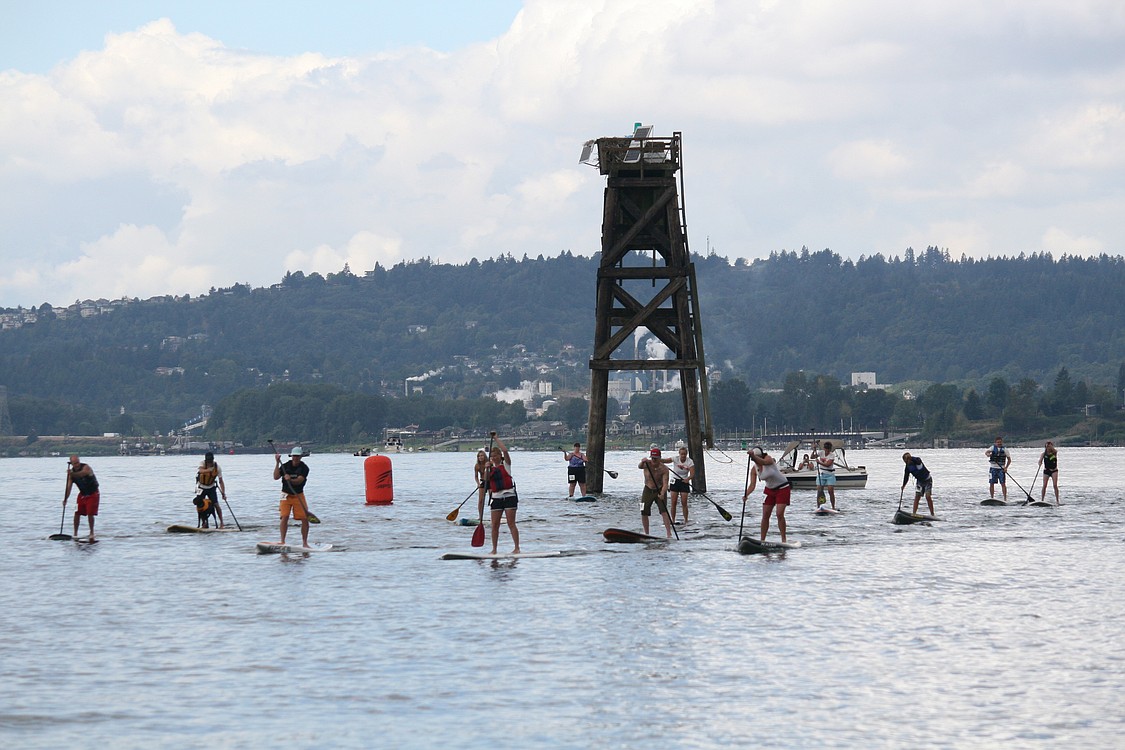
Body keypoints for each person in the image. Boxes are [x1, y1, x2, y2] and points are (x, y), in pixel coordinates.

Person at [743, 447, 791, 543]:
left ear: (760, 456)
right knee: (765, 515)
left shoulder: (768, 459)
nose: (755, 460)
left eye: (756, 457)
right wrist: (746, 495)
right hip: (770, 490)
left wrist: (753, 456)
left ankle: (784, 540)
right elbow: (752, 485)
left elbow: (763, 462)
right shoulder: (754, 469)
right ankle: (762, 540)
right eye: (753, 459)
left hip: (783, 488)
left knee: (779, 514)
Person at [485, 432, 520, 554]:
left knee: (511, 523)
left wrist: (495, 438)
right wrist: (486, 468)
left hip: (509, 496)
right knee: (495, 525)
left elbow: (505, 450)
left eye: (496, 455)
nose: (494, 458)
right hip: (496, 498)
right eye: (492, 456)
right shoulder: (490, 468)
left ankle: (517, 548)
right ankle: (494, 550)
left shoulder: (506, 464)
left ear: (500, 456)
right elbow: (486, 479)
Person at [273, 446, 311, 547]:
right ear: (291, 456)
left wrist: (290, 480)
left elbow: (299, 481)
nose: (296, 458)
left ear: (301, 457)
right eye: (294, 456)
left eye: (298, 456)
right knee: (284, 517)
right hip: (285, 495)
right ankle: (282, 541)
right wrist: (277, 463)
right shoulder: (285, 466)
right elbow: (275, 477)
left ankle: (305, 543)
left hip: (298, 495)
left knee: (304, 518)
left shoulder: (304, 468)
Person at [638, 447, 673, 537]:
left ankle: (669, 533)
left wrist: (662, 493)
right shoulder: (647, 464)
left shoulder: (664, 469)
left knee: (664, 511)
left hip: (659, 489)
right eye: (652, 458)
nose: (653, 460)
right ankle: (646, 533)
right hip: (648, 489)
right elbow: (639, 466)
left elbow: (665, 483)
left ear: (659, 458)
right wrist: (642, 461)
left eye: (656, 459)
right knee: (643, 511)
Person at [64, 455, 99, 541]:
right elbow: (68, 488)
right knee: (77, 513)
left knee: (90, 513)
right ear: (71, 464)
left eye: (78, 462)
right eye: (75, 463)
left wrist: (71, 474)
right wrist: (65, 499)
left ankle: (92, 532)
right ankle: (75, 533)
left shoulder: (86, 467)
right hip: (82, 494)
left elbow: (82, 474)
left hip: (93, 493)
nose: (77, 465)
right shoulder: (71, 474)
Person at [194, 451, 226, 528]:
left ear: (213, 460)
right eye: (208, 462)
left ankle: (221, 523)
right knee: (200, 505)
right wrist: (209, 470)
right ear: (205, 461)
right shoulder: (202, 463)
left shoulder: (217, 467)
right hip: (201, 487)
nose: (209, 463)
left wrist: (223, 493)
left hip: (211, 487)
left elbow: (221, 481)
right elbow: (200, 471)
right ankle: (204, 523)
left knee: (216, 505)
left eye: (210, 461)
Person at [667, 445, 695, 524]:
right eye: (681, 454)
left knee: (684, 502)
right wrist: (657, 459)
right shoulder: (675, 459)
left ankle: (686, 520)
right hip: (675, 481)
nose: (683, 456)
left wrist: (688, 479)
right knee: (673, 502)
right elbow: (665, 460)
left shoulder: (690, 461)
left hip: (684, 482)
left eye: (684, 454)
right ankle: (673, 520)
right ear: (679, 454)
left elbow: (692, 474)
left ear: (686, 454)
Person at [985, 436, 1011, 501]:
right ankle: (992, 497)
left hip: (1001, 469)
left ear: (1002, 442)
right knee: (991, 483)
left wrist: (1006, 467)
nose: (999, 443)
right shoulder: (992, 447)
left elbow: (1009, 460)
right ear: (995, 443)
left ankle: (1005, 498)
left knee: (1003, 483)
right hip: (993, 468)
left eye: (1000, 442)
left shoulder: (1005, 449)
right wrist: (988, 454)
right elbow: (986, 452)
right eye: (998, 442)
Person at [816, 441, 837, 510]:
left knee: (830, 490)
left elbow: (828, 465)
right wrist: (814, 449)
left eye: (828, 449)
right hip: (821, 473)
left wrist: (819, 462)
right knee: (819, 490)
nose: (827, 451)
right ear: (824, 448)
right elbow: (812, 456)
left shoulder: (832, 455)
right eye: (826, 449)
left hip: (830, 474)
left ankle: (833, 507)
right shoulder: (821, 452)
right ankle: (818, 506)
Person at [473, 449, 489, 521]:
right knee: (480, 500)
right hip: (482, 482)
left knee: (493, 499)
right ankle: (480, 516)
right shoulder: (477, 466)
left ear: (484, 456)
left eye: (482, 456)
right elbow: (476, 476)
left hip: (490, 481)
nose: (480, 457)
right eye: (479, 456)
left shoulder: (489, 463)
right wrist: (478, 483)